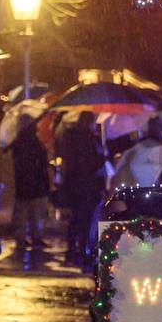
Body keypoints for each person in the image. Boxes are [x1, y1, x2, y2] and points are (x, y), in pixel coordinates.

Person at [57, 111, 107, 269]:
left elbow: (69, 162)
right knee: (86, 220)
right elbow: (94, 163)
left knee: (76, 218)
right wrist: (103, 156)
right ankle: (83, 250)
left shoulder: (71, 139)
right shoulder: (91, 140)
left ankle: (72, 249)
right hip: (88, 185)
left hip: (74, 184)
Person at [9, 119, 51, 250]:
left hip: (23, 182)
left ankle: (20, 238)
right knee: (36, 212)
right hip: (37, 182)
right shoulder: (35, 143)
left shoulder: (17, 143)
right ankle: (36, 237)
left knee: (22, 210)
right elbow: (42, 162)